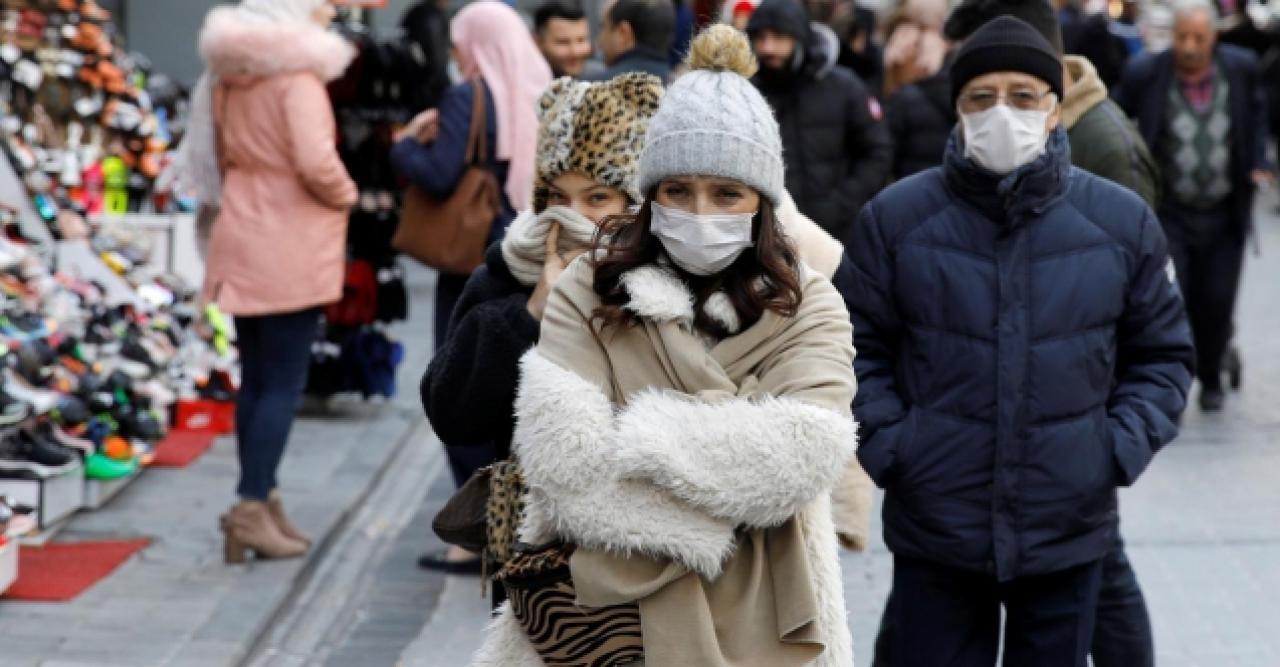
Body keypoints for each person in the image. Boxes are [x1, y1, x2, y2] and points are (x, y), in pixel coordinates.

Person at [471, 25, 856, 667]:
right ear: (651, 195)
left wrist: (637, 435)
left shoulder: (810, 303)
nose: (699, 211)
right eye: (677, 191)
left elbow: (804, 454)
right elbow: (566, 469)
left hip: (768, 617)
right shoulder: (587, 289)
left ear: (761, 201)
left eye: (726, 193)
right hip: (603, 624)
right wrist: (733, 466)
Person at [848, 16, 1194, 666]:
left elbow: (1163, 355)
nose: (1001, 111)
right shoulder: (896, 221)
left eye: (1022, 95)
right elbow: (852, 350)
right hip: (937, 526)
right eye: (981, 96)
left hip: (1065, 526)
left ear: (1055, 110)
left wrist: (1111, 448)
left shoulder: (1118, 222)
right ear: (957, 108)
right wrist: (896, 446)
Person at [418, 72, 665, 576]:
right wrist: (528, 314)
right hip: (535, 553)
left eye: (597, 199)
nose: (571, 217)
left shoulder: (668, 281)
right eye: (557, 197)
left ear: (634, 205)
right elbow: (451, 412)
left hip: (645, 548)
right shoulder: (510, 272)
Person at [194, 0, 358, 562]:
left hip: (242, 229)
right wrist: (349, 194)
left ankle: (262, 500)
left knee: (257, 376)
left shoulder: (230, 78)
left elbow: (215, 154)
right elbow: (316, 164)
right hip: (290, 238)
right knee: (283, 380)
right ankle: (250, 503)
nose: (330, 14)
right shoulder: (298, 81)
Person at [390, 1, 551, 572]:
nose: (457, 53)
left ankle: (474, 531)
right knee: (510, 387)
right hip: (528, 248)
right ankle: (507, 519)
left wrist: (406, 143)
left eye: (462, 43)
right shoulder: (538, 89)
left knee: (459, 377)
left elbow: (438, 174)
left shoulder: (469, 96)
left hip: (472, 260)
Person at [1113, 0, 1271, 411]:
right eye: (1182, 36)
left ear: (1213, 37)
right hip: (1170, 211)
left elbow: (1256, 118)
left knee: (1217, 299)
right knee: (1173, 297)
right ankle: (1174, 381)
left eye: (1198, 38)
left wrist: (1259, 163)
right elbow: (1118, 120)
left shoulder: (1239, 67)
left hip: (1224, 210)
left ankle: (1212, 373)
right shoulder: (1147, 73)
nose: (1188, 46)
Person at [747, 0, 892, 245]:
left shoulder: (844, 86)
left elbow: (877, 152)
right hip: (770, 239)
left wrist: (841, 204)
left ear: (800, 38)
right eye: (760, 38)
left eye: (779, 37)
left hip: (837, 236)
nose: (768, 47)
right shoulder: (747, 92)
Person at [593, 0, 676, 82]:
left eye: (603, 27)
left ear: (623, 33)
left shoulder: (593, 89)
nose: (599, 41)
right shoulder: (680, 89)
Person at [532, 1, 594, 79]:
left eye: (581, 40)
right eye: (563, 42)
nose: (575, 52)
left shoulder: (602, 81)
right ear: (538, 42)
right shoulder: (522, 84)